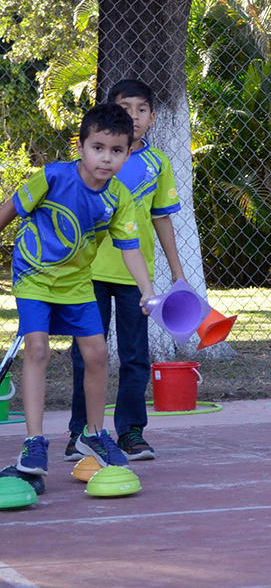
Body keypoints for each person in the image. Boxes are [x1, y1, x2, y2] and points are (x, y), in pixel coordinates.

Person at [0, 104, 154, 477]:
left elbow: (130, 248)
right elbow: (8, 210)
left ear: (128, 153)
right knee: (37, 349)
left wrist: (147, 292)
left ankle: (93, 434)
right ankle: (34, 441)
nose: (106, 158)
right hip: (34, 278)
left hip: (77, 284)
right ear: (81, 145)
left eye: (116, 151)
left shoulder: (119, 198)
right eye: (97, 147)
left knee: (98, 354)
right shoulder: (52, 177)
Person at [64, 79, 185, 462]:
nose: (134, 116)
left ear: (152, 116)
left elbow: (163, 220)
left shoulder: (157, 163)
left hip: (136, 279)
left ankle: (131, 432)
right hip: (88, 274)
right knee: (85, 356)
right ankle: (81, 433)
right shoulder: (89, 162)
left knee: (135, 356)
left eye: (142, 109)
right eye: (126, 107)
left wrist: (179, 274)